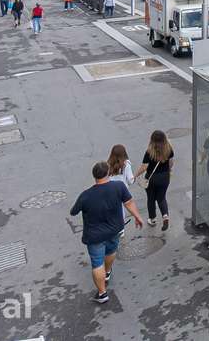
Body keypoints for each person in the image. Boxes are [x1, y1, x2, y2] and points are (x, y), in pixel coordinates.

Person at [69, 160, 144, 304]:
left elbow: (73, 212)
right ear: (108, 173)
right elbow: (129, 202)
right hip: (114, 230)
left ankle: (102, 293)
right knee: (110, 251)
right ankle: (107, 272)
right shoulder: (118, 186)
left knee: (97, 263)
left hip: (95, 235)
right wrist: (137, 217)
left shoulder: (86, 195)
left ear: (94, 176)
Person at [134, 130, 175, 231]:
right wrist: (168, 171)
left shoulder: (150, 151)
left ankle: (152, 219)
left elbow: (144, 166)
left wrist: (135, 175)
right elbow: (171, 162)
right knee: (161, 198)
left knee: (151, 199)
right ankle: (165, 216)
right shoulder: (169, 149)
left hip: (152, 179)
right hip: (165, 177)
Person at [106, 143, 135, 231]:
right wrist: (134, 179)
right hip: (122, 190)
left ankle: (111, 225)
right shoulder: (126, 165)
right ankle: (121, 229)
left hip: (110, 189)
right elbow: (130, 180)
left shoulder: (108, 164)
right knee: (120, 208)